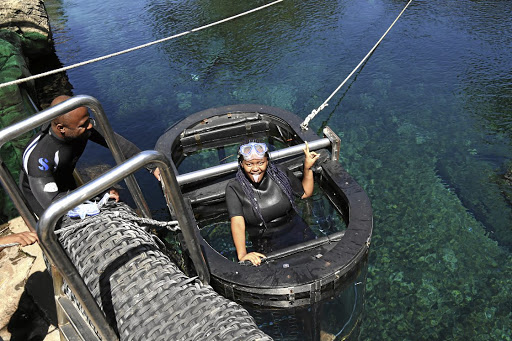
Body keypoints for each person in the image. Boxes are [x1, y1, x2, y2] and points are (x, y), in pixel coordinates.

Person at [19, 95, 160, 218]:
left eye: (88, 120)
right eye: (83, 125)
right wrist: (98, 194)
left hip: (66, 179)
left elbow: (119, 144)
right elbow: (53, 203)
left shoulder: (84, 126)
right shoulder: (39, 158)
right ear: (61, 128)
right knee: (61, 228)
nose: (90, 126)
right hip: (41, 196)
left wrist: (153, 166)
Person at [225, 141, 320, 266]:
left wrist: (307, 168)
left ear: (267, 161)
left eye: (260, 163)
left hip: (296, 230)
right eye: (249, 164)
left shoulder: (280, 173)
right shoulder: (234, 188)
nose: (255, 168)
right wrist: (242, 254)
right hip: (265, 240)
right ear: (241, 164)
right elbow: (237, 223)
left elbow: (305, 194)